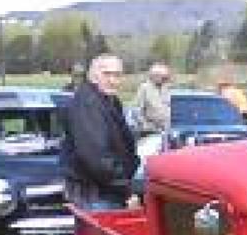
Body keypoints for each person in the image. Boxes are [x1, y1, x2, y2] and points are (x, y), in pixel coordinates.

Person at [60, 53, 140, 210]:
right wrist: (126, 190)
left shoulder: (110, 100)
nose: (112, 80)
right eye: (107, 74)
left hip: (106, 191)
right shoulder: (88, 103)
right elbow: (96, 158)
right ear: (93, 76)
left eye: (117, 75)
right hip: (96, 195)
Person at [134, 63, 172, 138]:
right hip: (150, 131)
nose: (165, 79)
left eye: (166, 77)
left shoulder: (166, 87)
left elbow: (169, 106)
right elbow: (137, 110)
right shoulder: (144, 88)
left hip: (166, 129)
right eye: (163, 77)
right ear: (154, 76)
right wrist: (146, 126)